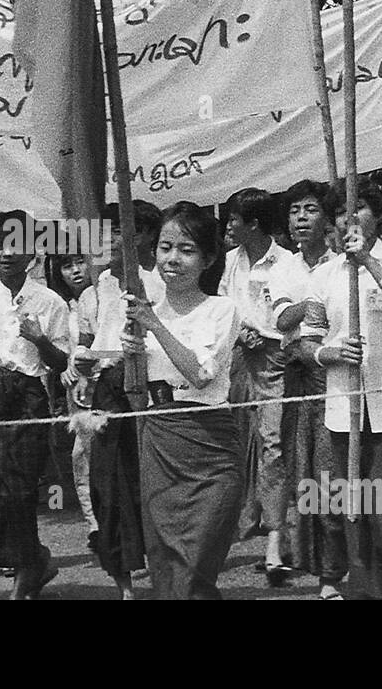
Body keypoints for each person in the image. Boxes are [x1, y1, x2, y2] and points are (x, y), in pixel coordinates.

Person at [299, 186, 382, 600]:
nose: (348, 217)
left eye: (357, 207)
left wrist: (369, 262)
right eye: (340, 211)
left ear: (378, 213)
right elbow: (308, 341)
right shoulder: (322, 276)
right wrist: (329, 353)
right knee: (356, 508)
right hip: (344, 413)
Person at [122, 202, 241, 600]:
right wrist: (129, 354)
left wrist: (154, 326)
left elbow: (200, 373)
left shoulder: (221, 310)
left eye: (187, 250)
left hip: (209, 445)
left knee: (196, 561)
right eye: (165, 247)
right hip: (159, 442)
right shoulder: (141, 314)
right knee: (165, 560)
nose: (173, 258)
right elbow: (134, 391)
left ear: (208, 258)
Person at [0, 210, 69, 599]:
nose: (7, 253)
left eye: (17, 245)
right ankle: (32, 557)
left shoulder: (50, 300)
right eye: (0, 245)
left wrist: (39, 339)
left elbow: (61, 363)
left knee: (20, 487)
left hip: (29, 399)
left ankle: (26, 570)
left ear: (34, 252)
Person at [69, 200, 165, 599]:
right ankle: (123, 582)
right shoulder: (102, 284)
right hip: (108, 386)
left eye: (114, 232)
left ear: (138, 234)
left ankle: (165, 571)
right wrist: (85, 366)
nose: (104, 241)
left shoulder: (159, 279)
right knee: (107, 482)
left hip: (151, 386)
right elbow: (99, 340)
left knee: (152, 480)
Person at [264, 179, 347, 600]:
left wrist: (312, 305)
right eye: (295, 210)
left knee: (336, 472)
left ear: (327, 217)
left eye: (310, 209)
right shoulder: (282, 267)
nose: (300, 218)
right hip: (299, 371)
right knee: (306, 473)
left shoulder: (346, 262)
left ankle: (342, 569)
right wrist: (315, 301)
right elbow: (282, 321)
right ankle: (323, 569)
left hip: (344, 373)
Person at [219, 188, 293, 582]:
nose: (229, 225)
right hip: (237, 359)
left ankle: (275, 543)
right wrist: (238, 332)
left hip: (274, 359)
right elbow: (221, 307)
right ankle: (239, 523)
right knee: (235, 440)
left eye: (235, 219)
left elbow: (292, 317)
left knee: (273, 444)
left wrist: (261, 336)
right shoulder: (230, 262)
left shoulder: (285, 262)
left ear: (255, 224)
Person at [43, 250, 96, 552]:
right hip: (73, 391)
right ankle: (94, 523)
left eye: (80, 262)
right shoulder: (61, 306)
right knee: (80, 455)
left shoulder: (101, 296)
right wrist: (63, 368)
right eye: (67, 265)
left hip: (103, 384)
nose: (75, 270)